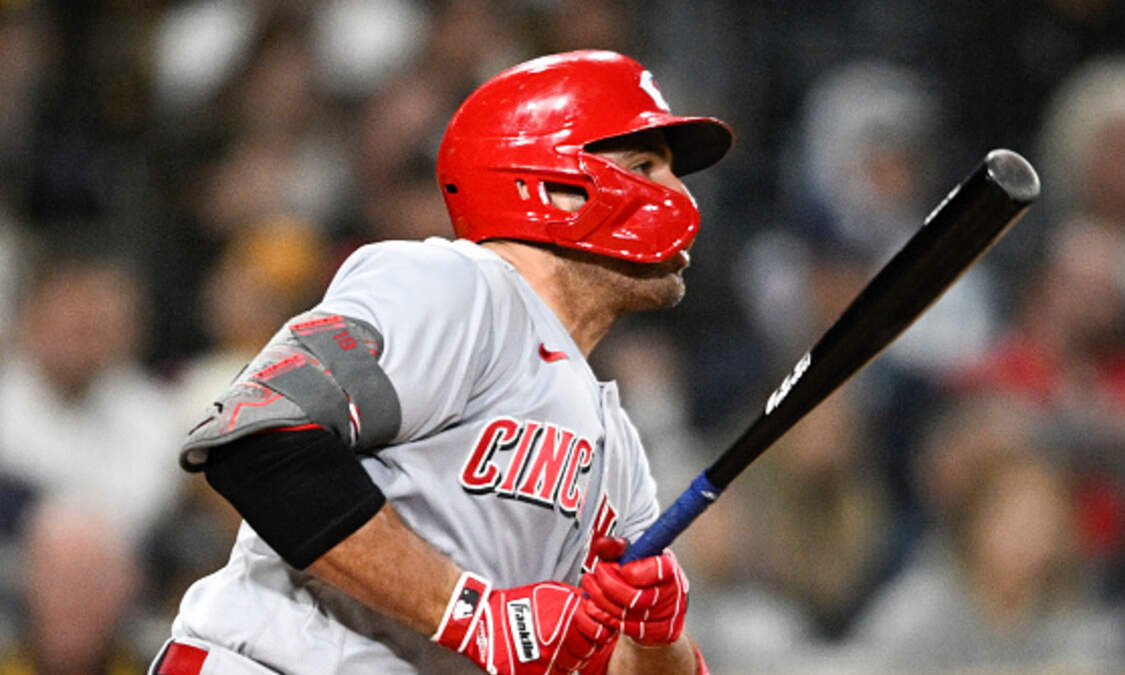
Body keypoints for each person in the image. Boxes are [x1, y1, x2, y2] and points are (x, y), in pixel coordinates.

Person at [153, 50, 732, 675]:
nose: (678, 194)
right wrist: (472, 614)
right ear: (548, 184)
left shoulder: (616, 447)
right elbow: (260, 441)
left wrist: (653, 639)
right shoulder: (454, 287)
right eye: (644, 166)